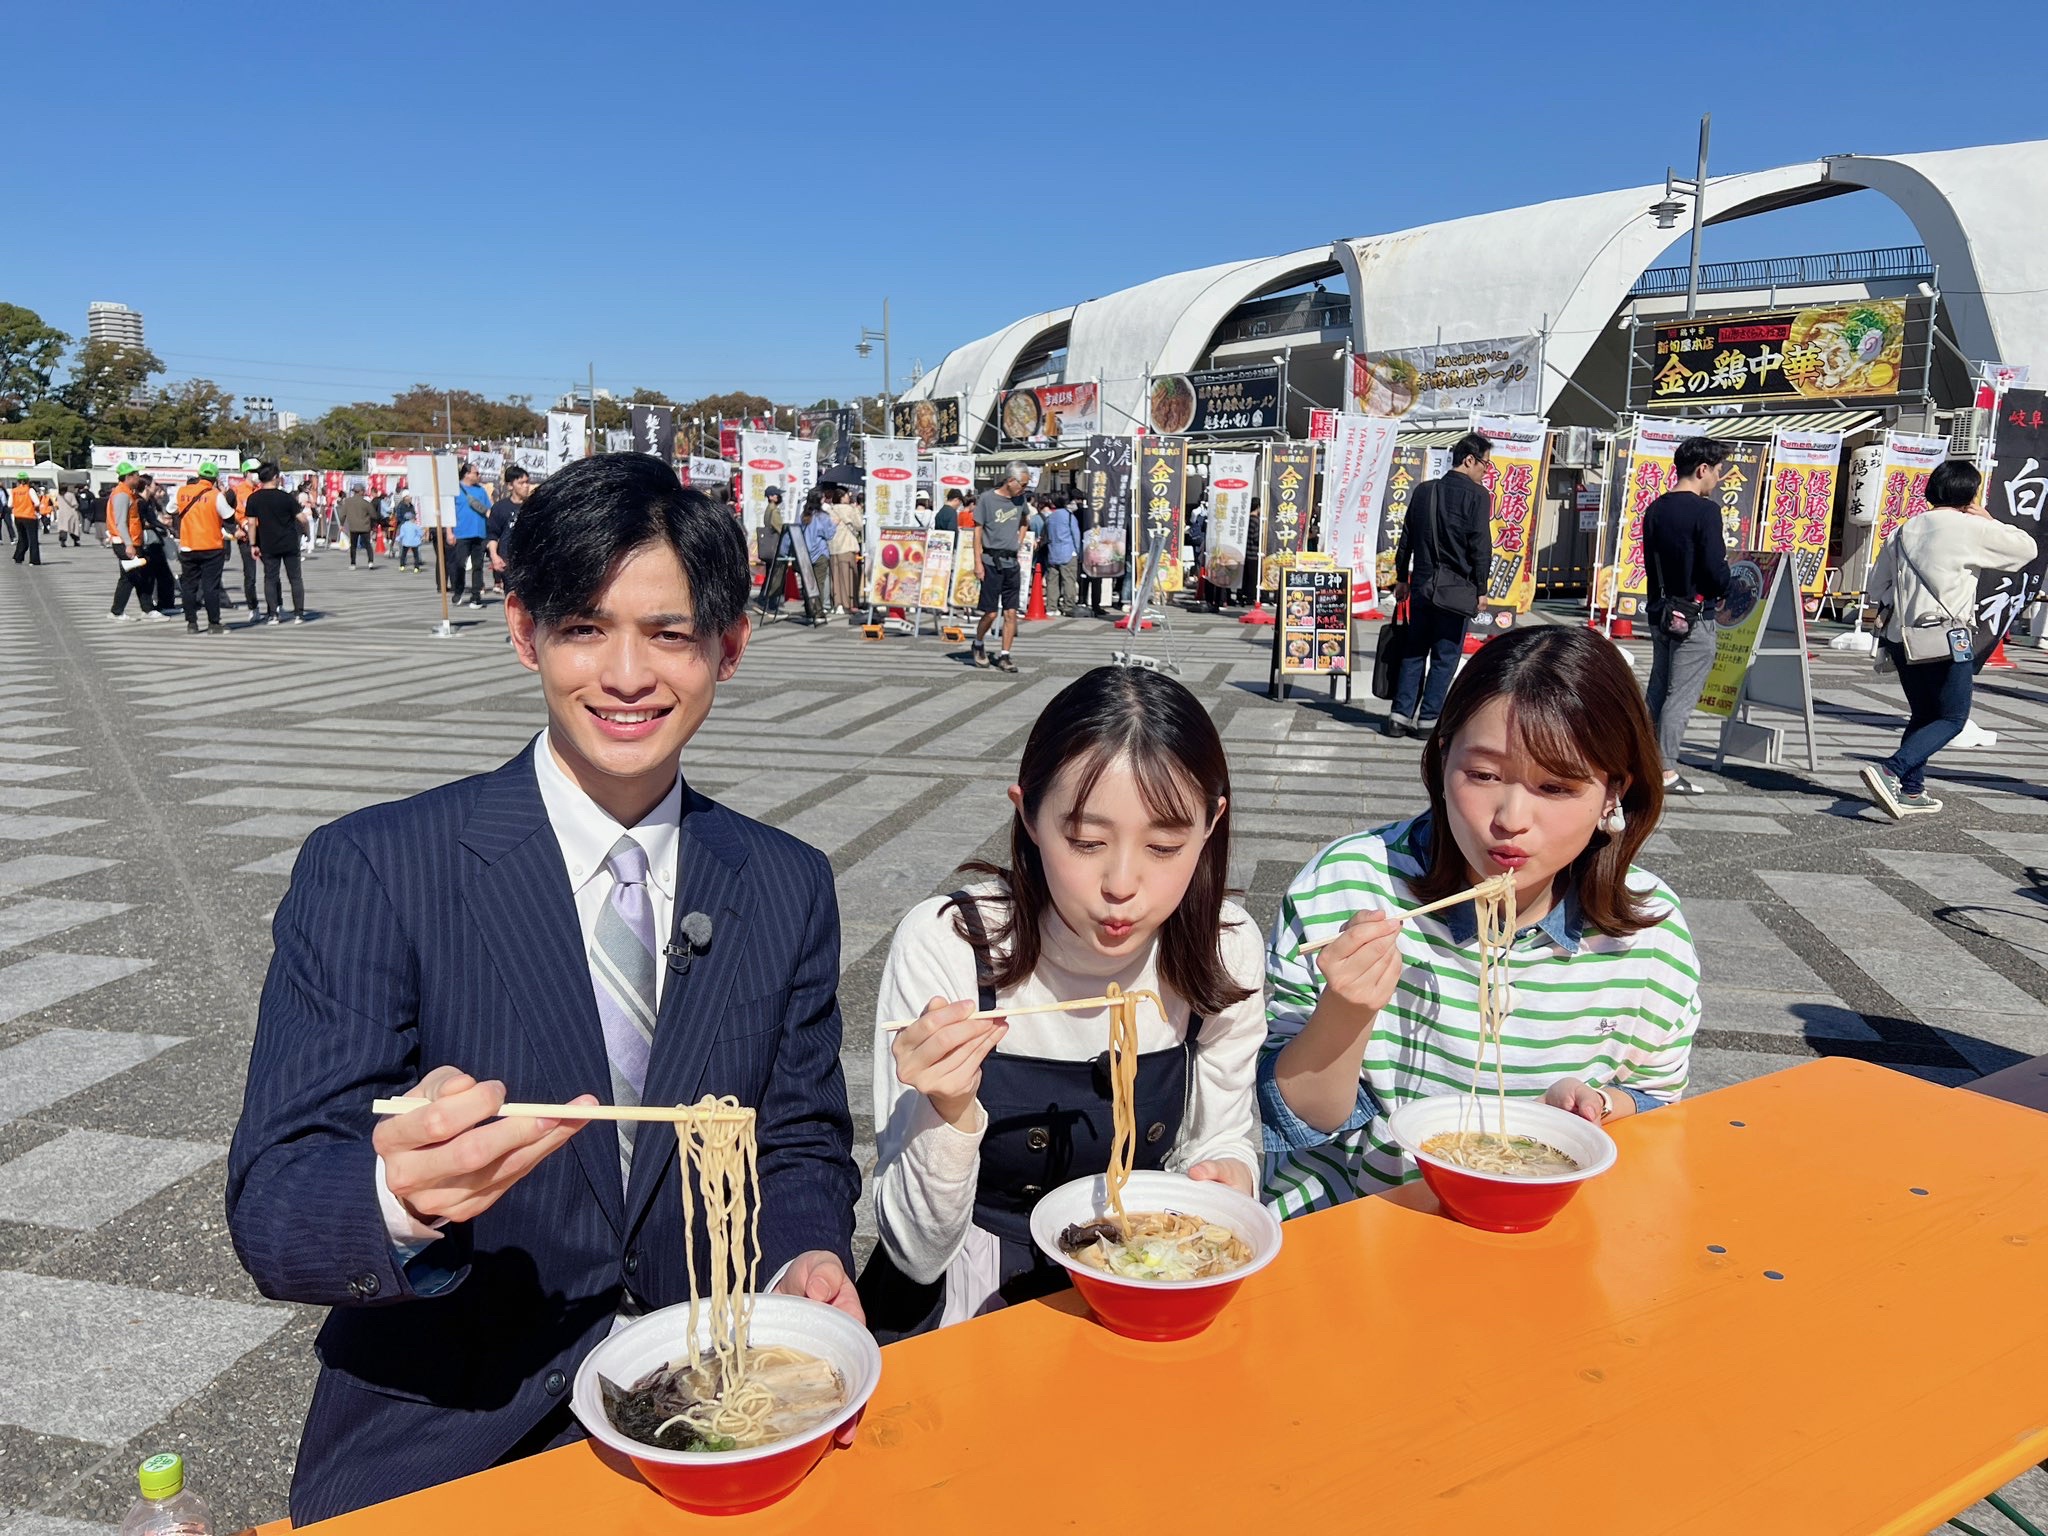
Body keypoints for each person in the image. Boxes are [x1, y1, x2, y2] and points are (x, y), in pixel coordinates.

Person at [226, 452, 862, 1525]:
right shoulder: (377, 867)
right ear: (524, 633)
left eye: (669, 634)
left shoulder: (783, 881)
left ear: (729, 646)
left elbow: (796, 1136)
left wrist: (806, 1254)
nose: (627, 675)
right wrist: (400, 1196)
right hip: (454, 1423)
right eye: (583, 628)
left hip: (720, 1400)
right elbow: (276, 1202)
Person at [860, 666, 1262, 1338]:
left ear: (1211, 824)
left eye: (1165, 845)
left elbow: (1223, 1134)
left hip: (1145, 1274)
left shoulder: (1226, 947)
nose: (1122, 884)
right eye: (1086, 842)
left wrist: (1230, 1176)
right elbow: (915, 1253)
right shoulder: (952, 944)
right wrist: (947, 1110)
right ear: (1028, 814)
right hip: (967, 1294)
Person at [1261, 625, 1699, 1213]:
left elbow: (1656, 1101)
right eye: (1485, 775)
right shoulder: (1350, 884)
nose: (1511, 818)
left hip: (1537, 1233)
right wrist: (1345, 1012)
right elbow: (1295, 1120)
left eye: (1556, 786)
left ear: (1613, 793)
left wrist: (1597, 1105)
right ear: (1443, 758)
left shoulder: (1648, 932)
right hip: (1354, 1221)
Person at [1859, 459, 2037, 820]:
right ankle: (1891, 770)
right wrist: (1988, 518)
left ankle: (1912, 790)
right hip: (1945, 637)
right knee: (1953, 718)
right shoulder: (1970, 528)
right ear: (1970, 493)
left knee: (1924, 714)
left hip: (1902, 637)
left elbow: (1877, 586)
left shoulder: (1903, 530)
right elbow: (2026, 549)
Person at [1641, 436, 1732, 796]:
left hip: (1660, 610)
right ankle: (1665, 770)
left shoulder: (1655, 508)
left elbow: (1650, 563)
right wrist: (1727, 585)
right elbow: (1714, 570)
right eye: (1718, 471)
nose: (1718, 479)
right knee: (1680, 695)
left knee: (1658, 689)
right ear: (1702, 469)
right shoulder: (1705, 511)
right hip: (1694, 615)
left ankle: (1640, 760)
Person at [1387, 431, 1493, 738]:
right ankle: (1428, 721)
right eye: (1485, 463)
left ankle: (1398, 717)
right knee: (1445, 656)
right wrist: (1481, 589)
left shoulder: (1424, 491)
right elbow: (1480, 547)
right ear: (1469, 460)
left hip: (1421, 586)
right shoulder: (1477, 495)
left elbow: (1406, 539)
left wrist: (1402, 579)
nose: (1485, 470)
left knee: (1414, 650)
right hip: (1456, 591)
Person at [971, 464, 1028, 671]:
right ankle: (978, 643)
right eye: (1023, 484)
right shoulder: (987, 499)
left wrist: (1019, 540)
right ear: (1010, 481)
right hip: (990, 561)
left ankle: (1005, 655)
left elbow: (1024, 521)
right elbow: (977, 532)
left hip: (1011, 562)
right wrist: (978, 562)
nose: (1024, 489)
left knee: (1011, 613)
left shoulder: (1020, 500)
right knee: (991, 613)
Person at [244, 461, 310, 623]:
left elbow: (251, 523)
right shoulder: (286, 497)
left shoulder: (254, 498)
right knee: (295, 578)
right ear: (275, 477)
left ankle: (273, 614)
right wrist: (307, 533)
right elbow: (302, 518)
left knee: (270, 578)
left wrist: (253, 544)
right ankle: (299, 614)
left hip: (267, 543)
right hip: (289, 542)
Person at [173, 462, 233, 634]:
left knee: (189, 586)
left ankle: (191, 623)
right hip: (211, 547)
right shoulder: (216, 495)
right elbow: (229, 516)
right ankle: (213, 624)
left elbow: (171, 509)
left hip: (188, 546)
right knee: (210, 586)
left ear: (199, 475)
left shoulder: (182, 492)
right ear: (215, 479)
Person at [449, 462, 491, 604]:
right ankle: (458, 590)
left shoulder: (481, 490)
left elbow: (488, 510)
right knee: (460, 564)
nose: (478, 475)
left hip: (480, 533)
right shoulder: (456, 490)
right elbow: (449, 513)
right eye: (476, 473)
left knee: (478, 566)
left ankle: (476, 595)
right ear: (467, 474)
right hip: (461, 533)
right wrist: (449, 532)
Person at [487, 464, 532, 594]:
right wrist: (494, 556)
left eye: (527, 482)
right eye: (521, 483)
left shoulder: (533, 506)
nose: (526, 486)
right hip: (509, 560)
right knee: (513, 596)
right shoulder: (500, 508)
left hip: (530, 560)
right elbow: (492, 535)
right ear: (510, 486)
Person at [228, 459, 263, 613]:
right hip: (246, 538)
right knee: (250, 575)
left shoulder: (262, 490)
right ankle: (253, 608)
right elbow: (226, 513)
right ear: (246, 473)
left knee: (272, 572)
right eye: (254, 471)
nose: (257, 474)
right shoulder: (236, 491)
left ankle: (276, 606)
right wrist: (235, 528)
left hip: (264, 536)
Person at [827, 485, 860, 615]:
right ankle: (849, 604)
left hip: (833, 546)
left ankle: (838, 604)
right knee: (849, 577)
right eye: (847, 495)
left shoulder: (830, 510)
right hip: (847, 545)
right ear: (842, 497)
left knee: (835, 577)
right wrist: (856, 510)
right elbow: (859, 525)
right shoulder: (850, 510)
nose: (849, 497)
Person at [339, 485, 378, 570]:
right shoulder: (366, 503)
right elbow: (374, 515)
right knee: (368, 545)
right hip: (365, 527)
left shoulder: (348, 502)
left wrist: (341, 524)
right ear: (361, 492)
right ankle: (370, 562)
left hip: (353, 527)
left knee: (353, 546)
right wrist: (372, 524)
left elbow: (342, 515)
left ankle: (353, 564)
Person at [9, 471, 40, 565]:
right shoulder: (30, 490)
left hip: (18, 516)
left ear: (18, 481)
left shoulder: (14, 491)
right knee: (33, 539)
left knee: (22, 537)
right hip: (29, 516)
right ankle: (34, 560)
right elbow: (37, 502)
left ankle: (18, 557)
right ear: (27, 480)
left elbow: (10, 504)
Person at [395, 493, 425, 570]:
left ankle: (404, 565)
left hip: (407, 530)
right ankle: (413, 566)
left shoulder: (411, 506)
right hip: (403, 524)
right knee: (408, 551)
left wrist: (398, 538)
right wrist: (421, 535)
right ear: (404, 497)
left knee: (408, 550)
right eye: (408, 496)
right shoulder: (400, 506)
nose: (410, 498)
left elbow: (414, 513)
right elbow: (398, 516)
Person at [53, 483, 83, 548]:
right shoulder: (71, 495)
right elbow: (75, 504)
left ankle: (62, 541)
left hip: (62, 514)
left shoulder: (59, 495)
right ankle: (76, 541)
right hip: (71, 513)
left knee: (63, 528)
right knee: (73, 528)